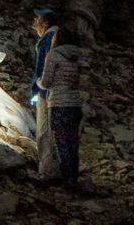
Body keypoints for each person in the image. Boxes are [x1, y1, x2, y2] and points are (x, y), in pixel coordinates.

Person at [38, 26, 87, 191]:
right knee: (73, 141)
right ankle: (74, 176)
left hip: (58, 103)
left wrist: (38, 82)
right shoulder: (79, 56)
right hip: (75, 104)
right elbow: (81, 82)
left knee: (61, 142)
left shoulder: (54, 55)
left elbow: (46, 82)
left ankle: (67, 180)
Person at [30, 7, 59, 180]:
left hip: (47, 91)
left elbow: (42, 67)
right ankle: (55, 168)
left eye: (37, 18)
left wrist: (37, 89)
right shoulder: (57, 38)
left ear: (45, 22)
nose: (34, 21)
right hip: (58, 92)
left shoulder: (48, 39)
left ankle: (47, 171)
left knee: (44, 130)